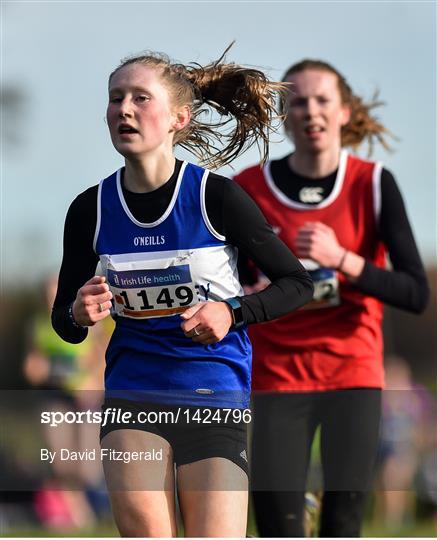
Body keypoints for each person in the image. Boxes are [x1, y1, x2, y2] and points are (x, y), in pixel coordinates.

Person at [51, 47, 314, 537]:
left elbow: (297, 284)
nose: (123, 109)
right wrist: (79, 313)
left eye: (139, 98)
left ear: (178, 118)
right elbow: (63, 322)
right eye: (115, 99)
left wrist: (230, 312)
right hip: (133, 396)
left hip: (213, 394)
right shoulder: (90, 210)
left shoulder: (216, 197)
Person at [234, 59, 430, 537]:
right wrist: (256, 293)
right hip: (277, 377)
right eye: (297, 100)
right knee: (277, 526)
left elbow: (415, 292)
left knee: (342, 527)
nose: (311, 110)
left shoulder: (373, 183)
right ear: (283, 114)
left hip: (352, 374)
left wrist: (343, 258)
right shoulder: (248, 189)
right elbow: (229, 286)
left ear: (344, 111)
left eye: (323, 99)